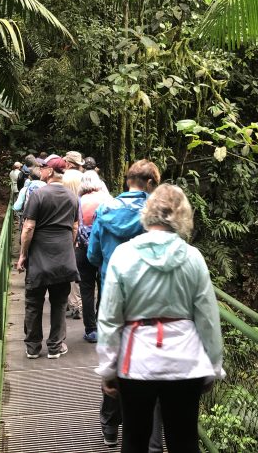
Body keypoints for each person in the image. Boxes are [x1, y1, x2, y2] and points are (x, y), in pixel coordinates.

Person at [96, 184, 224, 453]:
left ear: (148, 213)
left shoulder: (124, 255)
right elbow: (208, 319)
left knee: (134, 440)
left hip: (136, 362)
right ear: (183, 216)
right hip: (186, 362)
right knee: (185, 441)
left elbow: (109, 318)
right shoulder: (193, 258)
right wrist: (213, 366)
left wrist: (108, 368)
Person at [87, 159, 161, 448]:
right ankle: (151, 441)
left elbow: (93, 255)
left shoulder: (106, 209)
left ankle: (109, 427)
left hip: (111, 295)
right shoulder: (155, 214)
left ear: (126, 180)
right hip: (148, 298)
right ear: (151, 184)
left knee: (114, 358)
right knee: (151, 364)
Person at [16, 156, 79, 359]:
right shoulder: (72, 197)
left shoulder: (38, 195)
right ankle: (55, 346)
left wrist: (23, 254)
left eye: (43, 167)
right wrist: (67, 248)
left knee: (34, 301)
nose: (40, 170)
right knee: (59, 302)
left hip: (39, 258)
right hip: (63, 257)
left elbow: (29, 227)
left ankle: (33, 347)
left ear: (50, 171)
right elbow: (75, 228)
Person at [77, 170, 112, 343]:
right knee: (103, 286)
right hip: (104, 247)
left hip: (84, 248)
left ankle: (90, 329)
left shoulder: (79, 201)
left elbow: (74, 227)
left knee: (87, 288)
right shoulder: (108, 200)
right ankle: (101, 323)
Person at [62, 169, 84, 320]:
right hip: (85, 241)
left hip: (71, 240)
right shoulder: (86, 200)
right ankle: (77, 304)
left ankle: (74, 304)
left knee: (71, 272)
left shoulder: (66, 200)